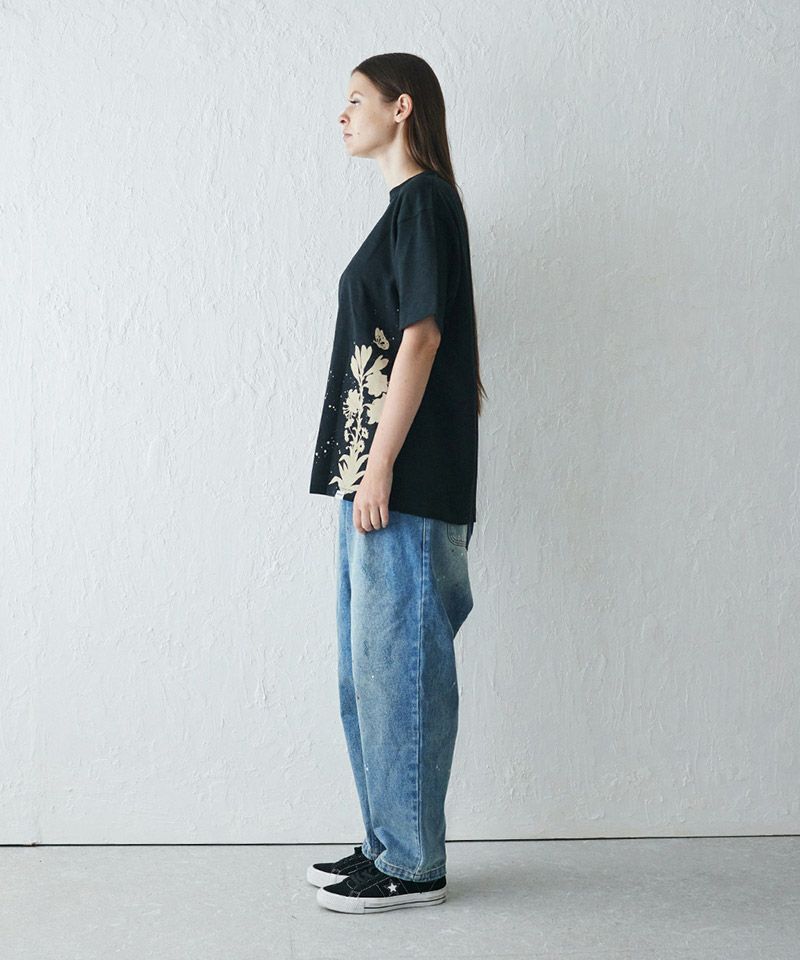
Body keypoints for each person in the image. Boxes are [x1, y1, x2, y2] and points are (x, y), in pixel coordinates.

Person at [308, 52, 487, 914]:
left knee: (401, 669)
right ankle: (385, 841)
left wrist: (380, 465)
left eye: (356, 100)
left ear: (402, 107)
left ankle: (414, 863)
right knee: (367, 673)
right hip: (375, 481)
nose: (343, 115)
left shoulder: (423, 203)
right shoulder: (403, 210)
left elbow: (422, 338)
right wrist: (364, 472)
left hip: (403, 482)